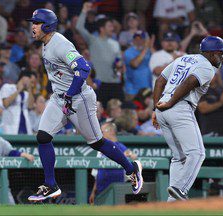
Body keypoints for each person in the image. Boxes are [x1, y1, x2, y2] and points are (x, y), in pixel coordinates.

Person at [25, 8, 143, 202]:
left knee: (97, 142)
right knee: (43, 136)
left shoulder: (60, 44)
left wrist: (70, 95)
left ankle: (131, 169)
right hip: (59, 97)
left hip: (79, 98)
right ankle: (50, 184)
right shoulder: (45, 44)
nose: (33, 27)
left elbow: (83, 68)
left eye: (36, 23)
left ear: (47, 26)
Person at [152, 36, 223, 201]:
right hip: (179, 106)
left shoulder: (184, 58)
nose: (222, 57)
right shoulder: (207, 66)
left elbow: (160, 81)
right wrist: (171, 102)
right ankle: (181, 190)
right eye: (220, 53)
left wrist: (156, 107)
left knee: (179, 157)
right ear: (211, 53)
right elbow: (189, 82)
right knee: (197, 153)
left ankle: (172, 202)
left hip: (163, 108)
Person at [76, 2, 125, 108]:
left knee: (119, 110)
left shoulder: (116, 43)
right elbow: (79, 27)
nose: (112, 28)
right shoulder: (93, 40)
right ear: (102, 29)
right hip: (99, 84)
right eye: (110, 26)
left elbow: (118, 62)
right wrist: (84, 11)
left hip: (114, 83)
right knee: (96, 112)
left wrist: (119, 65)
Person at [89, 122, 137, 205]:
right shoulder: (100, 149)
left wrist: (130, 155)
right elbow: (96, 174)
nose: (100, 134)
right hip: (101, 191)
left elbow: (132, 156)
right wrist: (93, 192)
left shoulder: (119, 147)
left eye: (102, 132)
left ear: (111, 131)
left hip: (116, 192)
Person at [0, 70, 34, 135]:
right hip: (10, 127)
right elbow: (6, 104)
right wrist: (18, 90)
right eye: (31, 81)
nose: (32, 84)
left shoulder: (27, 93)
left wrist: (29, 89)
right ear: (24, 78)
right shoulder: (7, 87)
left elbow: (30, 106)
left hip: (25, 126)